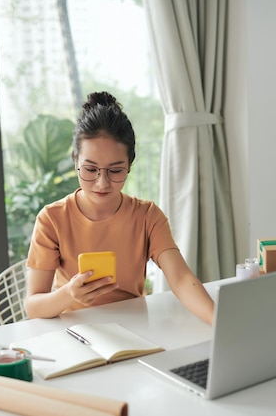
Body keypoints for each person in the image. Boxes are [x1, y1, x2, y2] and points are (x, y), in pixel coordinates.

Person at [24, 91, 214, 324]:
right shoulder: (52, 219)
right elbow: (33, 305)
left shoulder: (147, 217)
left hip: (135, 329)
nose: (102, 183)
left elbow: (182, 279)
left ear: (130, 165)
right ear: (75, 160)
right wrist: (68, 294)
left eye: (115, 170)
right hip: (73, 333)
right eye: (91, 169)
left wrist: (219, 320)